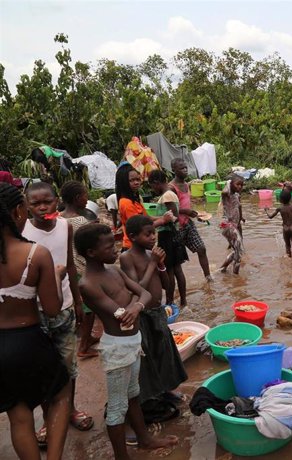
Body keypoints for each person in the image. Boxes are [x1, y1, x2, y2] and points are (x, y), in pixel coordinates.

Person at [75, 223, 178, 460]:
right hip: (117, 348)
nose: (116, 248)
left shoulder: (114, 270)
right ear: (91, 252)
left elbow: (144, 294)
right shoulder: (87, 283)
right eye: (109, 245)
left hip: (133, 340)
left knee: (134, 394)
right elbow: (118, 313)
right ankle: (122, 456)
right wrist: (133, 306)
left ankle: (144, 439)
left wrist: (136, 306)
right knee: (117, 407)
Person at [0, 182, 71, 460]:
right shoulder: (34, 254)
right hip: (27, 340)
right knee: (61, 394)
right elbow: (52, 310)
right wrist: (58, 274)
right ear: (19, 211)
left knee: (18, 416)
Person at [22, 182, 94, 443]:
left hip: (64, 308)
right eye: (35, 204)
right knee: (43, 367)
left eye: (47, 202)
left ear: (56, 202)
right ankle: (47, 417)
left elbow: (71, 266)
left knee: (68, 365)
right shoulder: (22, 230)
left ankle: (70, 409)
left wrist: (77, 300)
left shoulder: (66, 226)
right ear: (26, 206)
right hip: (34, 311)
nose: (42, 208)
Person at [119, 216, 187, 425]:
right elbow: (137, 287)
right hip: (143, 314)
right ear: (132, 237)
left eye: (153, 233)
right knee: (147, 357)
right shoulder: (127, 257)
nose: (152, 237)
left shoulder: (152, 256)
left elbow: (166, 285)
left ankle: (165, 391)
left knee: (163, 352)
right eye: (147, 234)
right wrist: (152, 264)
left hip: (157, 311)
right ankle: (150, 397)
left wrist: (162, 266)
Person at [60, 181, 100, 359]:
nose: (87, 199)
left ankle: (87, 337)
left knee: (79, 303)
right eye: (85, 196)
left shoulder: (59, 218)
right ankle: (83, 346)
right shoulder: (79, 220)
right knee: (89, 307)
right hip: (80, 267)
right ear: (77, 198)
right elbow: (88, 243)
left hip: (67, 268)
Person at [148, 170, 188, 307]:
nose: (153, 190)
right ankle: (182, 301)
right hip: (173, 236)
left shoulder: (167, 195)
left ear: (156, 183)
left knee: (170, 270)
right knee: (177, 270)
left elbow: (173, 217)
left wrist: (163, 222)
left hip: (168, 236)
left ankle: (170, 302)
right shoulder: (170, 194)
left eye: (152, 187)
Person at [169, 159, 212, 282]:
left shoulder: (186, 185)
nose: (185, 170)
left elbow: (187, 204)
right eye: (182, 168)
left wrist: (197, 214)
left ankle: (208, 277)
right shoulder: (171, 188)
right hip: (177, 227)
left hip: (187, 223)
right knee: (176, 260)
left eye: (186, 168)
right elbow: (171, 209)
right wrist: (186, 212)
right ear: (174, 170)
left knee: (201, 249)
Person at [115, 163, 172, 252]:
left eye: (138, 179)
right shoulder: (126, 203)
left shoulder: (135, 200)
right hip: (132, 247)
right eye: (132, 180)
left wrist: (162, 217)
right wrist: (163, 221)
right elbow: (139, 229)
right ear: (123, 182)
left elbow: (146, 218)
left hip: (141, 244)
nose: (136, 182)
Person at [265, 188, 292, 261]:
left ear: (280, 199)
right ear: (290, 198)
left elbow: (270, 217)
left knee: (287, 246)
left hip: (285, 229)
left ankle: (289, 258)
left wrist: (266, 211)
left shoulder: (280, 208)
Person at [220, 175, 245, 274]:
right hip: (227, 224)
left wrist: (241, 218)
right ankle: (236, 276)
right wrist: (228, 182)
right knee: (239, 253)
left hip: (233, 225)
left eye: (242, 185)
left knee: (237, 251)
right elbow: (224, 191)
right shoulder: (227, 194)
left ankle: (223, 268)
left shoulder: (237, 195)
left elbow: (239, 207)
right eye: (237, 184)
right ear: (231, 184)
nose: (240, 187)